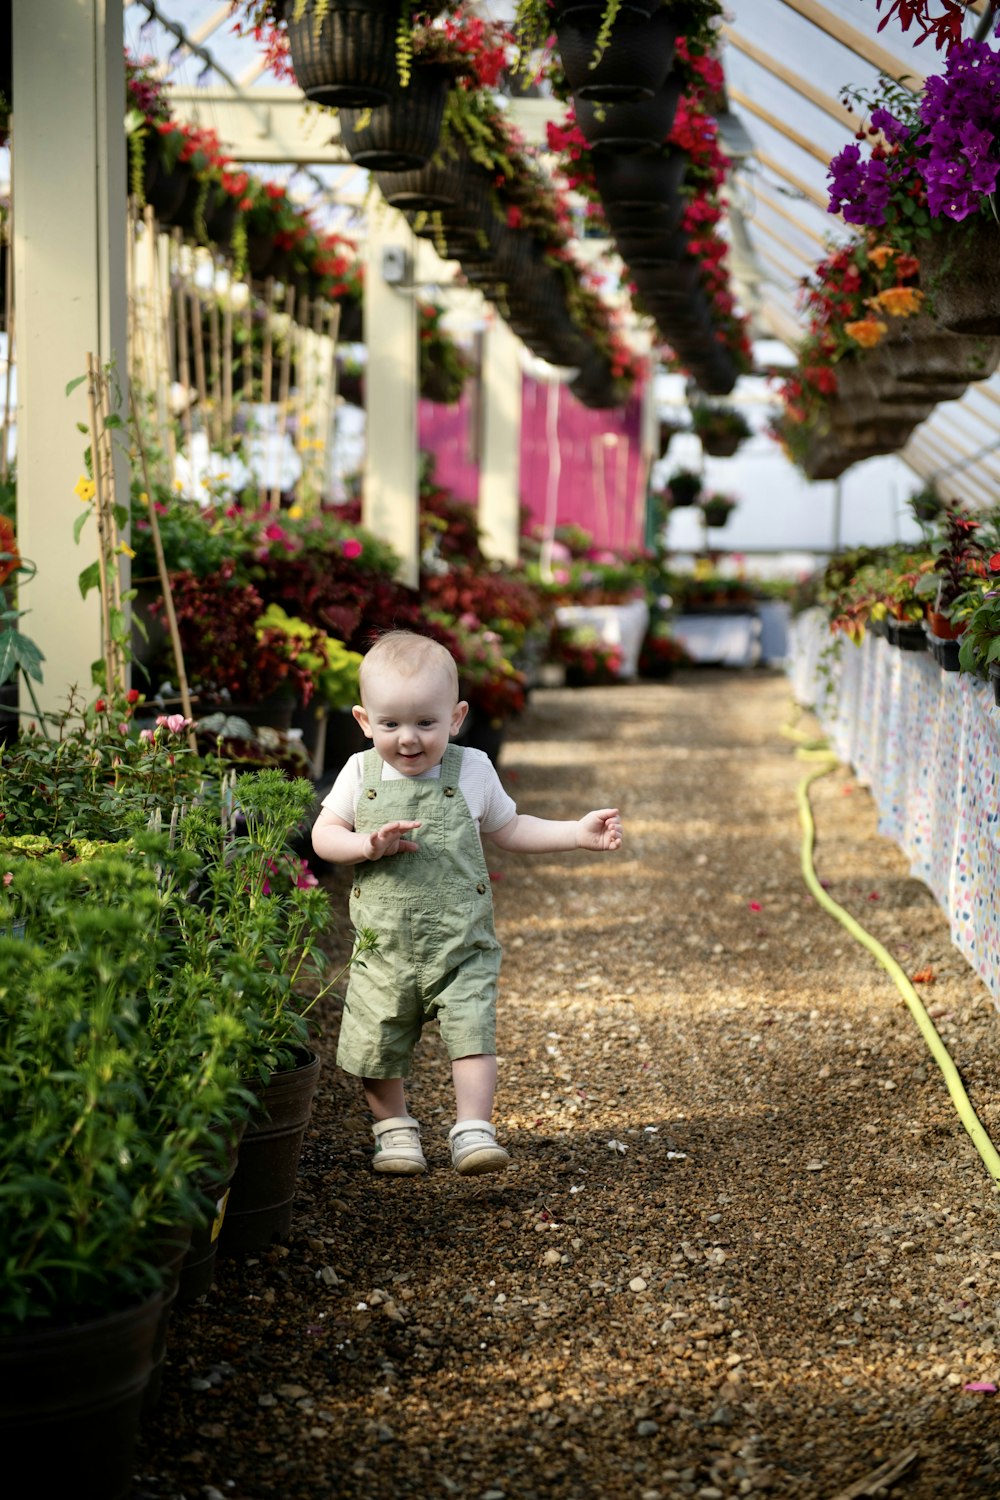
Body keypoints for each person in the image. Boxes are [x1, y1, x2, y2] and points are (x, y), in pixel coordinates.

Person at [311, 630, 623, 1178]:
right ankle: (395, 1130)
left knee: (472, 1033)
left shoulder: (473, 769)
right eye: (390, 725)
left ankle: (473, 1128)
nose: (408, 739)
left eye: (425, 723)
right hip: (384, 947)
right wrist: (364, 845)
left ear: (455, 718)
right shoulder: (359, 774)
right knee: (373, 1041)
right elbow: (323, 835)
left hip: (461, 943)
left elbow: (511, 827)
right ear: (363, 722)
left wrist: (577, 832)